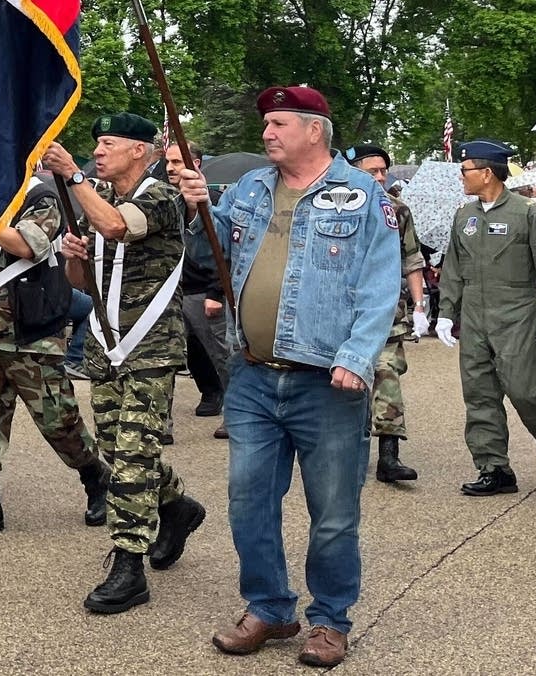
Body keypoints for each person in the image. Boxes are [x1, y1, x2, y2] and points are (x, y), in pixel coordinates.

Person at [208, 86, 400, 668]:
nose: (267, 132)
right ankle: (269, 609)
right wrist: (198, 206)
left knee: (334, 512)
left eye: (278, 123)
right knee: (249, 502)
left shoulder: (363, 195)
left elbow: (380, 284)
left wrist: (356, 356)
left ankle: (330, 621)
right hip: (253, 377)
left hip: (327, 381)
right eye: (266, 123)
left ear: (314, 129)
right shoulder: (249, 188)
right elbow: (214, 249)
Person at [42, 114, 206, 617]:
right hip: (105, 343)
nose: (98, 152)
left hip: (150, 344)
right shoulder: (102, 200)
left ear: (141, 150)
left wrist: (71, 176)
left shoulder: (162, 197)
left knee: (134, 453)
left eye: (109, 143)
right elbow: (83, 281)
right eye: (96, 145)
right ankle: (176, 505)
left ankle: (129, 562)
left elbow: (118, 228)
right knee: (118, 447)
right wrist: (73, 254)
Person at [0, 172, 111, 538]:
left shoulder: (41, 197)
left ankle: (97, 478)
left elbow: (26, 246)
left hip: (28, 332)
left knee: (57, 419)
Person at [433, 141, 536, 497]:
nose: (461, 177)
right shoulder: (464, 215)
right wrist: (446, 314)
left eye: (465, 170)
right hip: (476, 318)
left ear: (486, 173)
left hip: (518, 317)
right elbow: (453, 269)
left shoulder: (528, 213)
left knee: (525, 392)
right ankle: (493, 468)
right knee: (479, 394)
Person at [343, 144, 430, 484]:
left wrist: (421, 304)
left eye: (383, 170)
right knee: (344, 382)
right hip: (341, 311)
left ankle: (389, 455)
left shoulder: (397, 209)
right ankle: (347, 448)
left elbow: (412, 258)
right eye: (371, 171)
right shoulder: (332, 206)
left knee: (385, 373)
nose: (380, 177)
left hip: (386, 310)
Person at [163, 144, 231, 438]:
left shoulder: (211, 202)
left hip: (203, 292)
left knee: (222, 355)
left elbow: (224, 252)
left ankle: (235, 413)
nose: (170, 167)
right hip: (171, 291)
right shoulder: (164, 200)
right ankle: (161, 421)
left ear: (196, 163)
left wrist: (216, 293)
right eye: (167, 161)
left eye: (177, 161)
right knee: (171, 356)